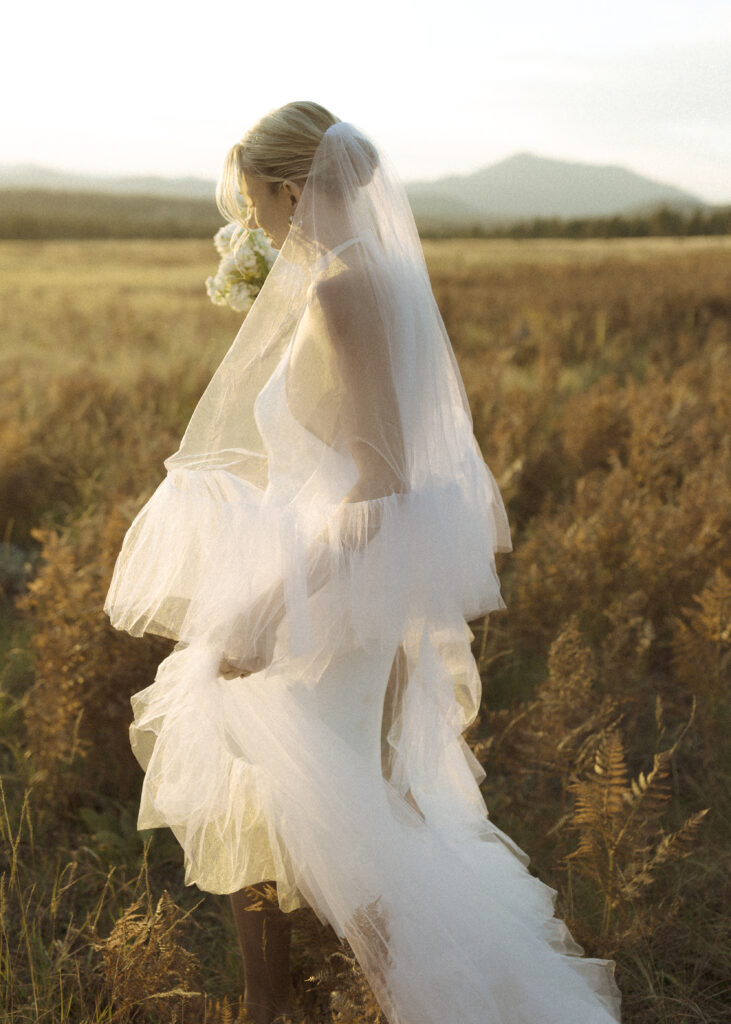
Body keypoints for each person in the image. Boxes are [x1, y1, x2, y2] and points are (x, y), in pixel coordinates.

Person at [105, 102, 622, 1024]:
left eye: (258, 204)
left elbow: (380, 483)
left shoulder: (344, 290)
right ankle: (278, 1002)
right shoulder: (374, 281)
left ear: (294, 190)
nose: (255, 225)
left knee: (347, 829)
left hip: (335, 590)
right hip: (354, 586)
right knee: (315, 804)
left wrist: (271, 604)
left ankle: (410, 1003)